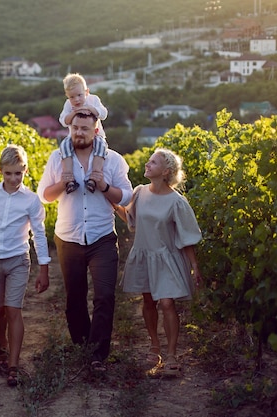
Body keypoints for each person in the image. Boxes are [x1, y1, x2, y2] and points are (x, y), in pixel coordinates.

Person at [37, 111, 133, 372]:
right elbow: (44, 196)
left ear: (96, 131)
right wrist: (60, 184)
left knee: (104, 296)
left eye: (85, 129)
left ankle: (97, 356)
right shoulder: (58, 159)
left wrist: (103, 186)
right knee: (74, 299)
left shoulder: (113, 160)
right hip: (68, 238)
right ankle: (83, 347)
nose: (79, 133)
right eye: (75, 128)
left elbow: (125, 196)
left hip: (102, 237)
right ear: (71, 129)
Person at [114, 148, 202, 376]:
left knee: (167, 304)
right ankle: (155, 346)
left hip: (166, 258)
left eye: (153, 162)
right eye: (149, 161)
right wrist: (112, 204)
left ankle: (172, 354)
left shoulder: (177, 202)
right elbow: (130, 219)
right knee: (148, 301)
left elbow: (187, 235)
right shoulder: (140, 192)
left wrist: (194, 266)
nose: (147, 164)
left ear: (166, 171)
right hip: (144, 255)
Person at [0, 144, 51, 387]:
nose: (14, 178)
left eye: (18, 173)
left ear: (25, 170)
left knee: (13, 309)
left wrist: (44, 267)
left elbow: (39, 234)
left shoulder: (31, 200)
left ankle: (13, 365)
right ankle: (2, 345)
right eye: (9, 173)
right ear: (0, 171)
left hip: (18, 261)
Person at [58, 73, 109, 194]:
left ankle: (94, 176)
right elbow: (63, 121)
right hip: (75, 138)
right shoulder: (68, 105)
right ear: (67, 96)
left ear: (87, 92)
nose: (76, 100)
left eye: (80, 95)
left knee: (101, 146)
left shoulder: (93, 100)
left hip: (96, 135)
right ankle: (69, 178)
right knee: (65, 146)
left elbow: (104, 114)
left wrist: (91, 109)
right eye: (72, 97)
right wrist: (74, 113)